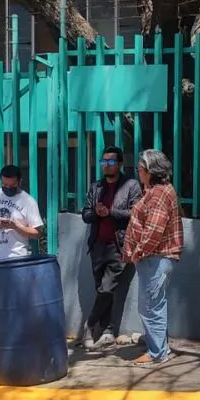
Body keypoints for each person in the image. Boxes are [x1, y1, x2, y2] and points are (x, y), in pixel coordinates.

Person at [122, 149, 184, 365]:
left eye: (140, 169)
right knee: (155, 303)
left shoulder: (158, 194)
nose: (137, 172)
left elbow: (154, 229)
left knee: (149, 305)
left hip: (155, 257)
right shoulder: (158, 190)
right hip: (156, 257)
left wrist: (138, 252)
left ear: (150, 171)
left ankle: (157, 353)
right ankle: (159, 346)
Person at [79, 146, 142, 350]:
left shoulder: (131, 185)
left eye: (111, 162)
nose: (107, 166)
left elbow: (136, 214)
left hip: (119, 245)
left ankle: (89, 326)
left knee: (107, 287)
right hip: (98, 245)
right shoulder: (96, 187)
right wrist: (97, 213)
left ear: (120, 164)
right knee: (102, 289)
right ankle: (106, 331)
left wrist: (110, 212)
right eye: (103, 162)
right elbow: (86, 214)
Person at [0, 165, 44, 261]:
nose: (7, 187)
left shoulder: (28, 201)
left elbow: (38, 233)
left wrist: (16, 226)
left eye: (12, 186)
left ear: (19, 182)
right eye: (4, 184)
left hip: (16, 258)